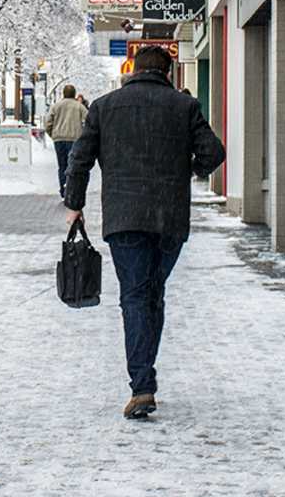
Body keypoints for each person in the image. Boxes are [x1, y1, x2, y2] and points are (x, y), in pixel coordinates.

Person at [63, 45, 225, 420]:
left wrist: (75, 205)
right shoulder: (184, 107)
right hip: (169, 218)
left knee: (136, 297)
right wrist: (187, 171)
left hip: (124, 218)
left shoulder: (104, 107)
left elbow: (79, 159)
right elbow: (213, 154)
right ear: (168, 73)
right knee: (153, 293)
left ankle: (142, 386)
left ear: (133, 68)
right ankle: (144, 382)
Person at [44, 83, 88, 199]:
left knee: (62, 165)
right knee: (72, 165)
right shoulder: (79, 106)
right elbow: (89, 120)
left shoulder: (56, 106)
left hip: (59, 140)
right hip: (74, 139)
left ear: (63, 93)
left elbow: (48, 123)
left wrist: (53, 135)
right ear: (74, 94)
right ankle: (71, 188)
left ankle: (63, 190)